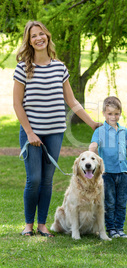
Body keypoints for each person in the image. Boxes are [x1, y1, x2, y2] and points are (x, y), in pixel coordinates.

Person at [14, 21, 100, 237]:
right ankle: (28, 225)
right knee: (33, 179)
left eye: (41, 34)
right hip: (31, 133)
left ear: (47, 37)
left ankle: (42, 224)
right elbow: (17, 104)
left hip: (54, 132)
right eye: (33, 36)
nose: (38, 38)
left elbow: (72, 102)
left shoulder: (59, 67)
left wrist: (91, 123)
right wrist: (30, 133)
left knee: (47, 180)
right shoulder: (23, 68)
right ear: (29, 41)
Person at [89, 96, 127, 239]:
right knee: (109, 202)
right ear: (104, 113)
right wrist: (90, 154)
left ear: (120, 113)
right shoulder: (100, 131)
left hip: (123, 173)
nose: (113, 117)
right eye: (110, 113)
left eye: (116, 114)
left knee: (121, 202)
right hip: (107, 173)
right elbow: (93, 145)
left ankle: (119, 228)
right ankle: (111, 229)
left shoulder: (124, 131)